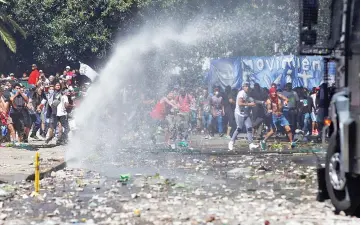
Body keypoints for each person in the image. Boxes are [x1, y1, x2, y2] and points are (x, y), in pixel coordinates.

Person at [228, 82, 259, 151]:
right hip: (239, 113)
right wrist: (250, 104)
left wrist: (257, 102)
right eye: (246, 86)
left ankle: (251, 144)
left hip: (245, 113)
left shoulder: (247, 94)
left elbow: (251, 100)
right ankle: (231, 142)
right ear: (243, 87)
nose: (247, 87)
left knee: (249, 128)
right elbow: (240, 103)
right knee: (239, 128)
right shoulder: (241, 93)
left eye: (248, 86)